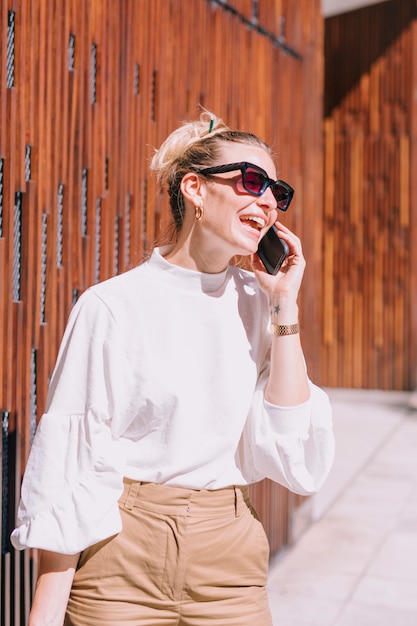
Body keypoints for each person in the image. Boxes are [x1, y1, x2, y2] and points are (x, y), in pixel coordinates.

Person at [12, 110, 334, 626]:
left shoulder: (260, 304)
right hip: (120, 554)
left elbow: (293, 447)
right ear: (195, 189)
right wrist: (44, 614)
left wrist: (285, 307)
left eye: (278, 190)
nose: (269, 200)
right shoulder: (112, 305)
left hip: (227, 557)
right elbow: (72, 459)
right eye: (252, 180)